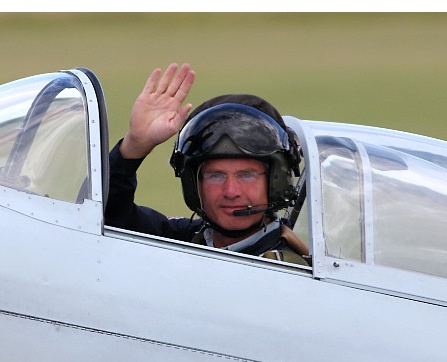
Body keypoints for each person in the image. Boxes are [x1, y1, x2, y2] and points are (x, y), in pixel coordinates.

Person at [105, 63, 310, 265]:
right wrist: (134, 146)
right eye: (216, 176)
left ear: (276, 183)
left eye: (247, 175)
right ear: (195, 186)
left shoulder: (290, 272)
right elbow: (109, 215)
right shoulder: (190, 239)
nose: (231, 191)